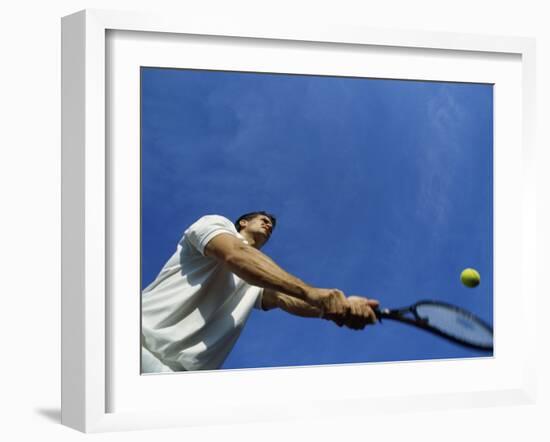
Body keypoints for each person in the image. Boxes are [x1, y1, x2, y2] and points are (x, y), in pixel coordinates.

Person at [141, 211, 379, 373]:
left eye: (271, 226)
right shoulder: (214, 224)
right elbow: (235, 254)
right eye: (263, 220)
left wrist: (338, 307)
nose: (268, 225)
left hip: (179, 383)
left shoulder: (259, 279)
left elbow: (286, 298)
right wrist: (312, 293)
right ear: (243, 223)